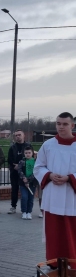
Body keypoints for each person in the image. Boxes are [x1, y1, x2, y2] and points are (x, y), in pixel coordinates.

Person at [34, 112, 76, 268]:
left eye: (65, 124)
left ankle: (73, 268)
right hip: (53, 198)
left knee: (72, 235)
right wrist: (49, 175)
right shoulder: (48, 145)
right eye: (58, 123)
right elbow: (38, 167)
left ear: (72, 125)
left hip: (72, 198)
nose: (61, 127)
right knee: (54, 234)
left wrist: (70, 178)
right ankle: (54, 266)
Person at [7, 129, 30, 214]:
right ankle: (13, 207)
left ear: (24, 135)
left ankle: (27, 208)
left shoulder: (28, 146)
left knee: (26, 189)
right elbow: (9, 159)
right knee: (14, 189)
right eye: (16, 135)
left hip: (25, 172)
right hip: (14, 172)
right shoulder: (12, 147)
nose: (17, 137)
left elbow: (30, 158)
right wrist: (14, 166)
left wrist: (20, 166)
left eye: (19, 135)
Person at [18, 145, 38, 220]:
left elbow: (36, 172)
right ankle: (24, 212)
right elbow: (19, 170)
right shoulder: (22, 161)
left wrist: (28, 180)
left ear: (32, 153)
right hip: (23, 183)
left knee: (30, 198)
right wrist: (24, 178)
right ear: (24, 153)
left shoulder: (35, 162)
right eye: (26, 153)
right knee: (24, 197)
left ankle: (29, 212)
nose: (27, 154)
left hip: (32, 183)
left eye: (29, 153)